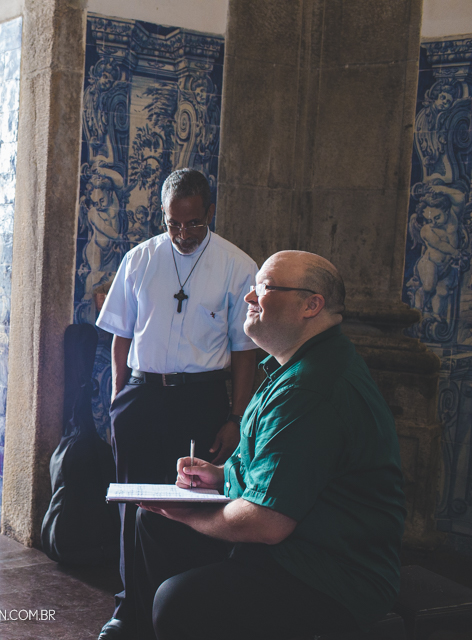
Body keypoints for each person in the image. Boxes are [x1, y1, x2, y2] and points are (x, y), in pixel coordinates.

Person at [132, 251, 406, 639]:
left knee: (179, 601)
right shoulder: (295, 365)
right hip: (295, 543)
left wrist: (186, 513)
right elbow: (280, 465)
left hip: (329, 573)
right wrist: (222, 475)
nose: (249, 297)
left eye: (264, 287)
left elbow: (266, 523)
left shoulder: (310, 387)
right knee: (155, 523)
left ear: (311, 305)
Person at [95, 168, 258, 640]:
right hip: (141, 395)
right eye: (173, 224)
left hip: (200, 399)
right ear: (163, 216)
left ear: (210, 212)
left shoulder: (237, 265)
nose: (183, 234)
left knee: (191, 503)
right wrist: (117, 399)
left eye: (193, 223)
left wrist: (236, 416)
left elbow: (244, 352)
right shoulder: (139, 259)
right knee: (134, 505)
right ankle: (129, 610)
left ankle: (180, 606)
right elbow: (121, 337)